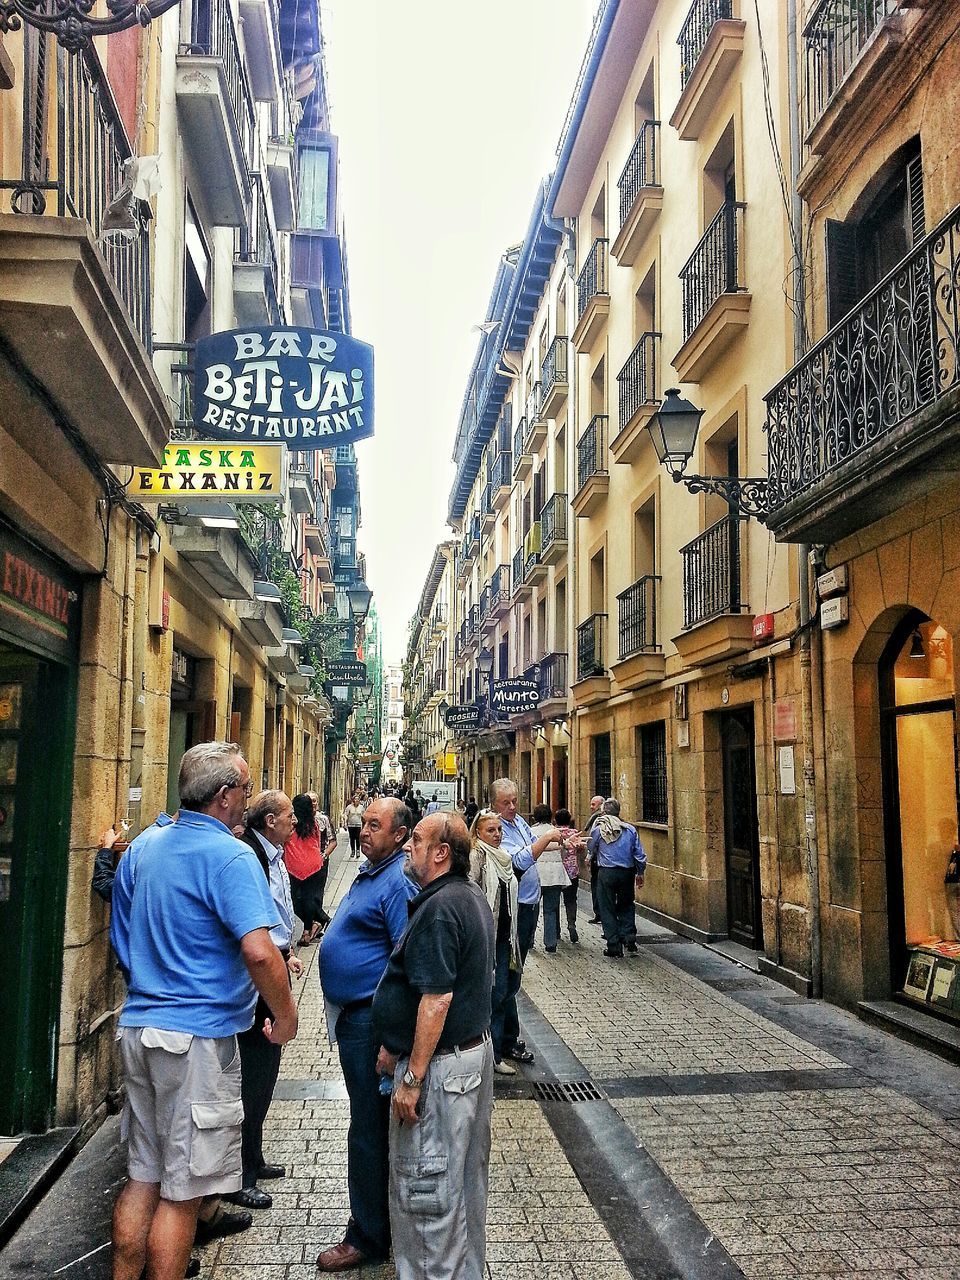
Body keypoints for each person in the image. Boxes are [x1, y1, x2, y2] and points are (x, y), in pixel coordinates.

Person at [109, 742, 298, 1280]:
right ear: (223, 796)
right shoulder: (232, 856)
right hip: (195, 1041)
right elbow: (260, 950)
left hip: (139, 1028)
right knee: (183, 1193)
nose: (248, 798)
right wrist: (286, 1019)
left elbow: (123, 938)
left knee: (143, 1177)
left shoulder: (145, 846)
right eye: (243, 788)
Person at [373, 812, 495, 1280]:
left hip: (442, 1072)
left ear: (441, 853)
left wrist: (412, 1076)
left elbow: (436, 998)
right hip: (465, 1061)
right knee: (460, 1191)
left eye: (417, 840)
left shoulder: (441, 907)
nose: (408, 846)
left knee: (427, 1199)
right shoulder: (466, 896)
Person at [316, 798, 418, 1271]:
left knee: (368, 1131)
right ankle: (378, 1224)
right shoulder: (374, 869)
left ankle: (368, 1236)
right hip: (355, 1018)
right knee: (369, 1126)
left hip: (369, 1023)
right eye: (365, 823)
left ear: (400, 835)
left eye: (375, 825)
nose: (364, 830)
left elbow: (404, 963)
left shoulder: (397, 881)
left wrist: (390, 1041)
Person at [227, 790, 303, 1210]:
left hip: (275, 963)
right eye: (290, 815)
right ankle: (241, 1174)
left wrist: (287, 951)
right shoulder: (249, 855)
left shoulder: (269, 852)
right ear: (271, 820)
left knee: (266, 1072)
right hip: (258, 978)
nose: (296, 822)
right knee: (254, 1074)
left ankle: (253, 1155)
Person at [488, 779, 559, 1064]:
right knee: (505, 978)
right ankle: (499, 1044)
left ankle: (507, 1039)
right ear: (494, 803)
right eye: (506, 802)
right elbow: (516, 861)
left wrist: (561, 843)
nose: (513, 806)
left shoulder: (518, 823)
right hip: (512, 911)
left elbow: (533, 846)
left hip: (529, 906)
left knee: (513, 977)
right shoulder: (495, 829)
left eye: (515, 800)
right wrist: (548, 838)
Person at [469, 809, 520, 1076]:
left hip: (504, 938)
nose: (497, 835)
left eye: (499, 830)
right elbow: (470, 892)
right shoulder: (477, 856)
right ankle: (489, 1054)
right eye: (491, 830)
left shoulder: (504, 858)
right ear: (478, 832)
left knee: (501, 993)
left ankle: (493, 1053)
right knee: (493, 995)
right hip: (486, 939)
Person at [587, 798, 647, 957]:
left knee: (607, 907)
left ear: (604, 812)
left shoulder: (600, 828)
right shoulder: (630, 829)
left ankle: (614, 945)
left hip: (606, 872)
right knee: (627, 904)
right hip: (627, 872)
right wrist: (640, 872)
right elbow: (639, 854)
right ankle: (629, 938)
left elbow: (591, 846)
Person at [283, 794, 329, 944]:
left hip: (294, 863)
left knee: (293, 899)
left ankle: (312, 927)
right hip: (313, 864)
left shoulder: (292, 823)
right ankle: (311, 927)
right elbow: (317, 841)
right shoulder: (313, 823)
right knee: (309, 899)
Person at [530, 804, 571, 954]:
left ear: (535, 817)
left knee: (532, 909)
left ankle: (529, 940)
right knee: (551, 910)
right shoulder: (556, 832)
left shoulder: (531, 832)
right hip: (554, 875)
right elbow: (564, 853)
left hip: (536, 875)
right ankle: (551, 943)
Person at [556, 808, 585, 945]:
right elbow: (581, 849)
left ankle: (555, 929)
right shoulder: (574, 833)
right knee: (571, 900)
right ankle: (571, 925)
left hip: (557, 872)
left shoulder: (553, 834)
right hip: (572, 871)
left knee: (554, 901)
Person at [308, 791, 338, 922]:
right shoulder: (300, 820)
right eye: (309, 801)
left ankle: (315, 923)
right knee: (305, 895)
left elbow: (333, 841)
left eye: (314, 801)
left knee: (317, 893)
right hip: (305, 861)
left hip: (320, 860)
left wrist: (324, 855)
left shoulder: (323, 819)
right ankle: (315, 922)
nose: (312, 804)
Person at [584, 795, 605, 923]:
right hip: (602, 859)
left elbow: (593, 841)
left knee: (597, 886)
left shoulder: (598, 820)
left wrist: (588, 856)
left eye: (593, 805)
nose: (591, 807)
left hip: (598, 859)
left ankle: (599, 914)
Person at [343, 792, 365, 858]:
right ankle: (353, 851)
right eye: (356, 799)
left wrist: (364, 825)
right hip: (351, 825)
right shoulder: (349, 807)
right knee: (352, 838)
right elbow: (345, 815)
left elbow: (363, 817)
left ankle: (358, 851)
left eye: (358, 800)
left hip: (358, 825)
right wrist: (345, 824)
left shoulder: (361, 807)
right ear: (353, 800)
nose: (357, 801)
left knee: (358, 838)